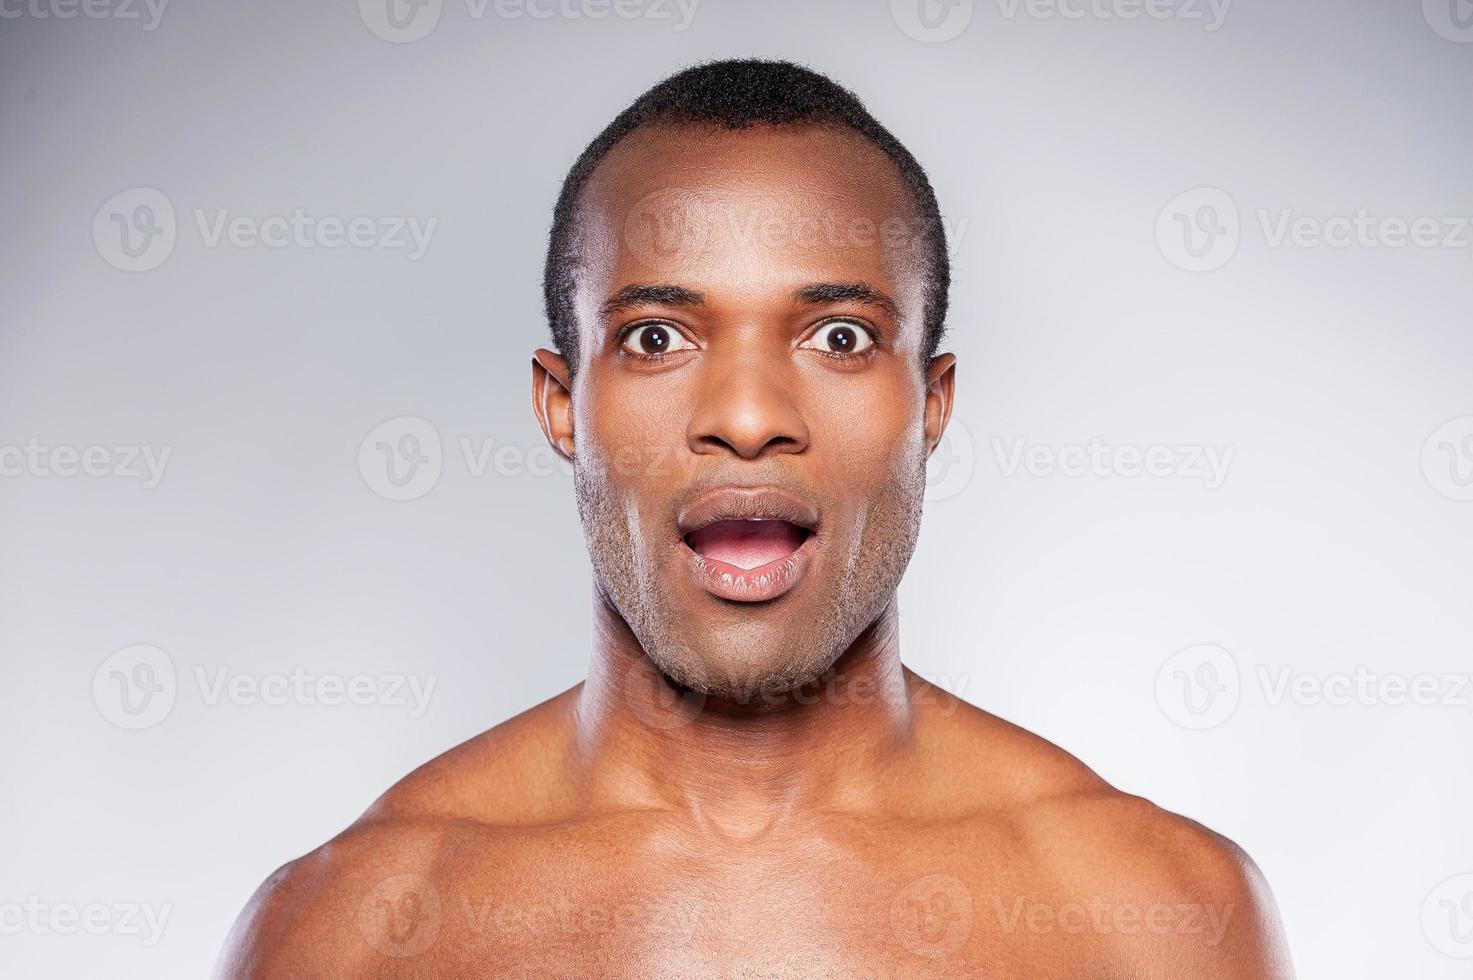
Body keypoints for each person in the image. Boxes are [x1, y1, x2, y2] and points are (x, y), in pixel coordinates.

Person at [217, 59, 1294, 977]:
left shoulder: (1152, 919)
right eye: (655, 337)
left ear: (932, 403)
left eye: (837, 337)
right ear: (560, 403)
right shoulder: (351, 932)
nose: (746, 416)